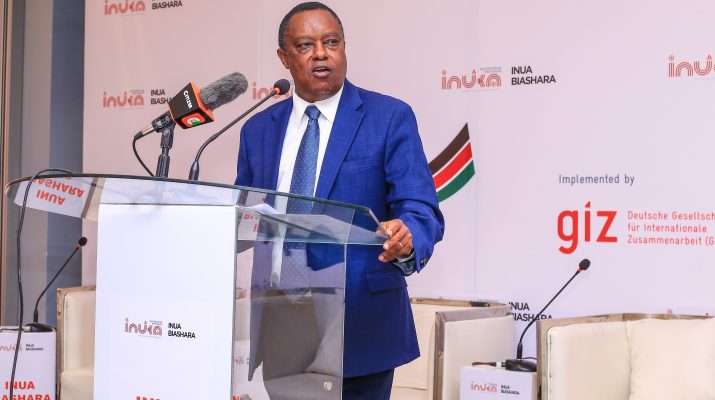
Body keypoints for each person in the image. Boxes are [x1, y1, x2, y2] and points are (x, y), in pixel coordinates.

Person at [235, 2, 444, 399]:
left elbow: (421, 209)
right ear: (284, 57)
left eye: (331, 42)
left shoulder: (387, 117)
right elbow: (244, 216)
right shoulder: (258, 130)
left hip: (358, 321)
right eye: (305, 45)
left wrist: (407, 236)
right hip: (281, 322)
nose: (320, 54)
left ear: (344, 48)